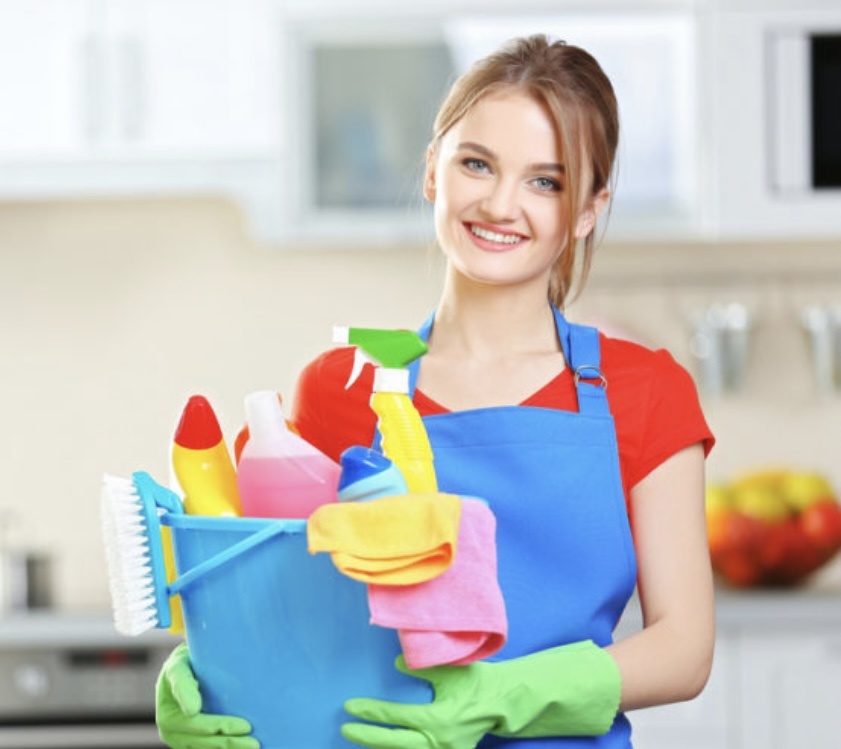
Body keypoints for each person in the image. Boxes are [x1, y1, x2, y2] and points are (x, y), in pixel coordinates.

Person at [155, 34, 715, 749]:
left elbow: (683, 648)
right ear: (432, 170)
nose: (501, 204)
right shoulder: (341, 387)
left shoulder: (644, 390)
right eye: (477, 164)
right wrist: (214, 670)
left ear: (586, 210)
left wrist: (507, 695)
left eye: (546, 182)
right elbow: (292, 608)